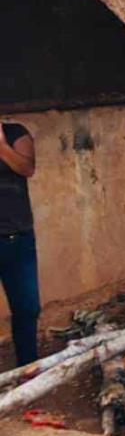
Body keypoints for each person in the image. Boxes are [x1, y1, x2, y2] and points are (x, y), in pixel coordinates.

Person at [0, 120, 39, 367]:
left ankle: (27, 366)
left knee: (27, 308)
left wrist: (2, 147)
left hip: (16, 238)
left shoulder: (16, 133)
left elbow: (27, 168)